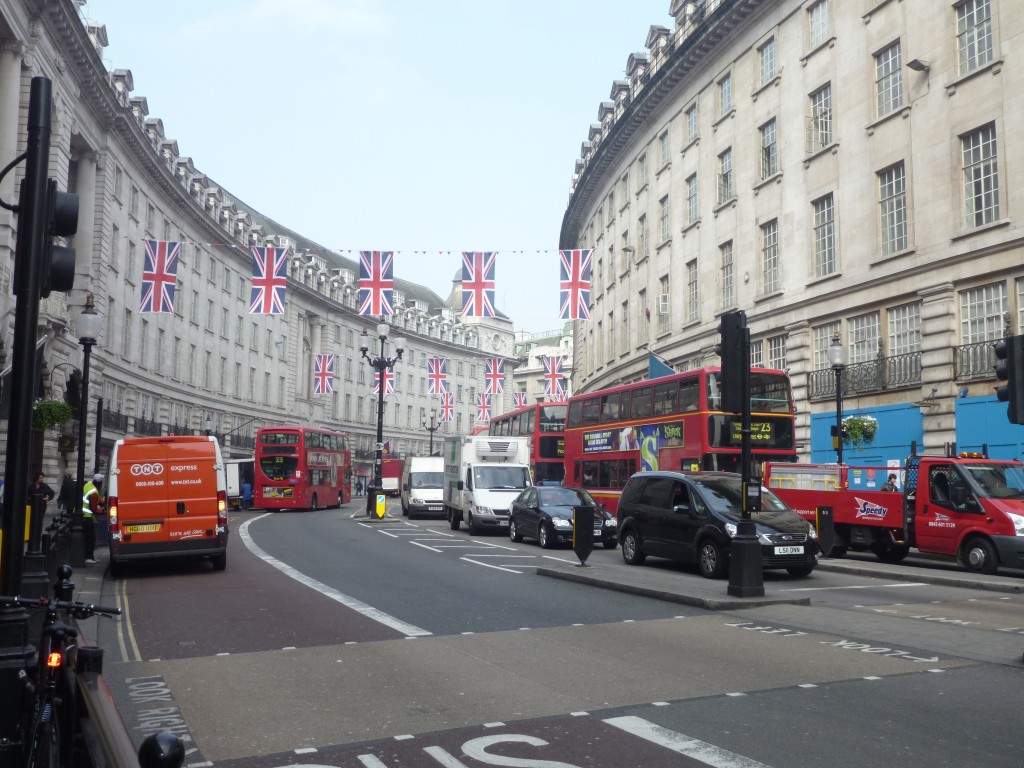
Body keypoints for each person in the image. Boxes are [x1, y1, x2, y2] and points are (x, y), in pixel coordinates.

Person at [82, 473, 105, 564]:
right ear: (100, 483)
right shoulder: (94, 493)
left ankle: (88, 556)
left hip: (82, 515)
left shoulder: (88, 485)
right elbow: (94, 509)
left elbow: (97, 500)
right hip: (87, 516)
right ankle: (88, 557)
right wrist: (103, 512)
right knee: (91, 538)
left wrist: (103, 502)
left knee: (88, 537)